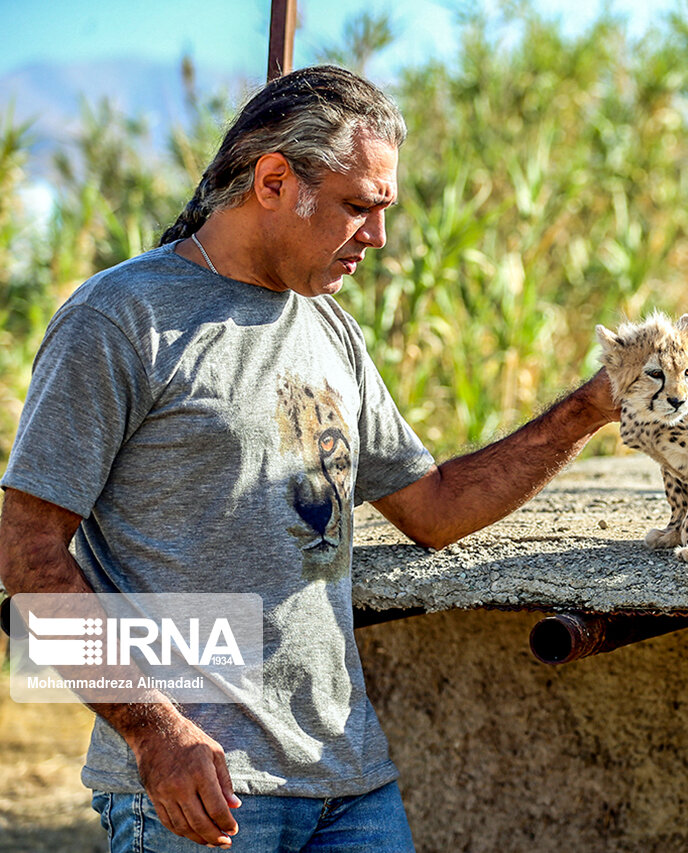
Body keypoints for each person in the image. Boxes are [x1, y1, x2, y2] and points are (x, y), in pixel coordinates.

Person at [0, 65, 618, 851]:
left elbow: (433, 506)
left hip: (350, 783)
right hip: (207, 790)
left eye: (383, 210)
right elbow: (25, 555)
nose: (379, 237)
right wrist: (155, 734)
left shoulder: (330, 330)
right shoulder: (121, 319)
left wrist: (586, 411)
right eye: (358, 206)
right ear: (272, 181)